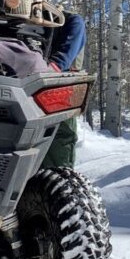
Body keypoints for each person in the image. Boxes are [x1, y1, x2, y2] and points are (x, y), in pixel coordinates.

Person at [41, 12, 86, 169]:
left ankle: (57, 179)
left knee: (59, 138)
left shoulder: (68, 21)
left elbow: (75, 30)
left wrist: (54, 66)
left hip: (56, 86)